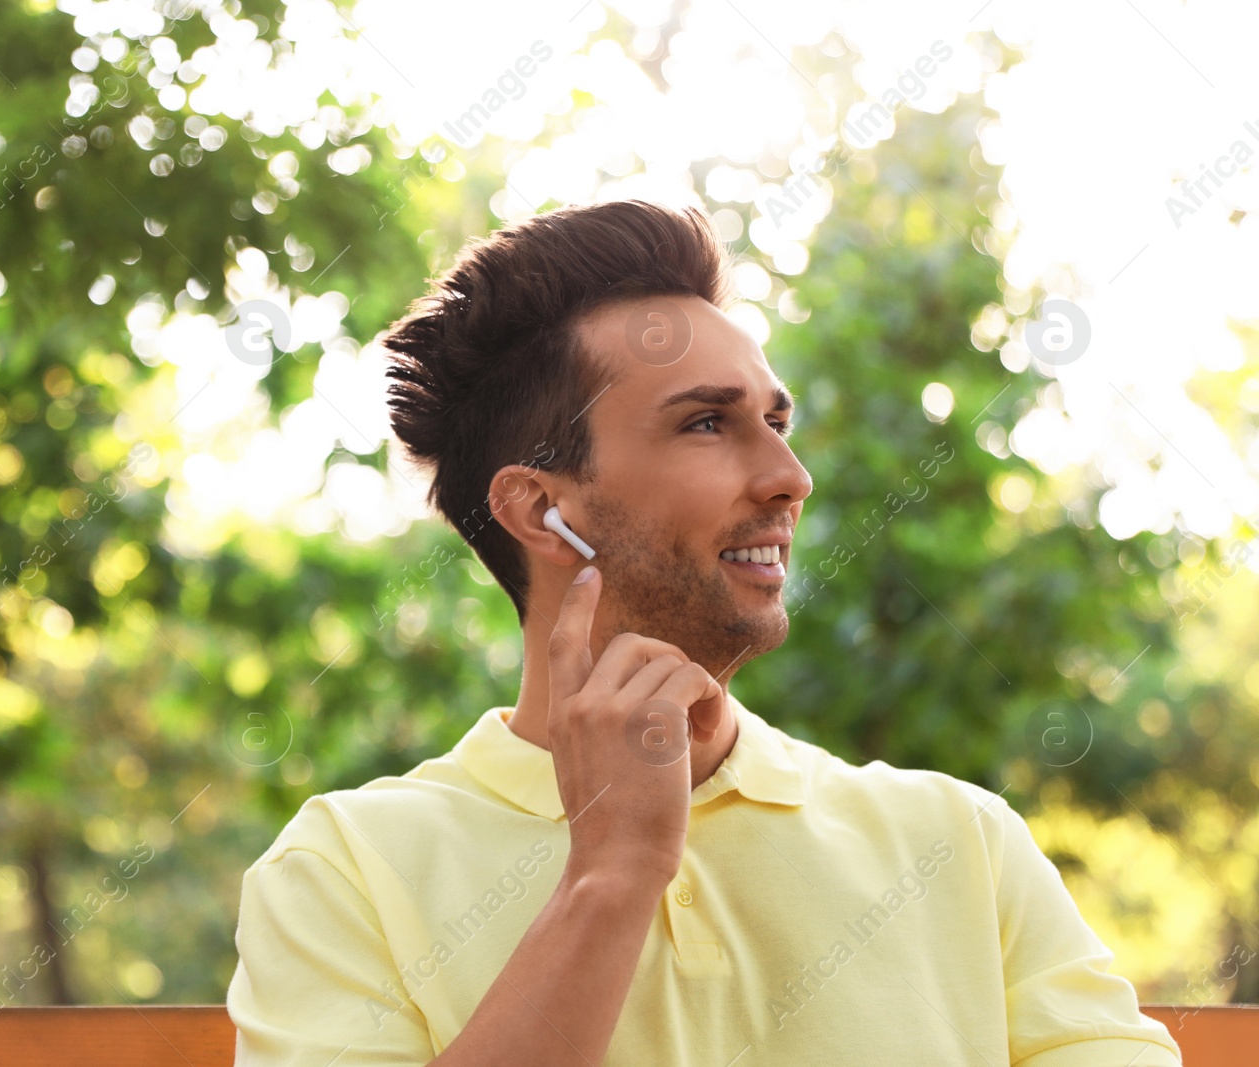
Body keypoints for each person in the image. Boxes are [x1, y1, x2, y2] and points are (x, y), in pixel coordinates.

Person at [225, 199, 1182, 1065]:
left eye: (775, 418)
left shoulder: (959, 841)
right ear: (536, 509)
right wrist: (610, 877)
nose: (790, 476)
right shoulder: (343, 870)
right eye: (706, 425)